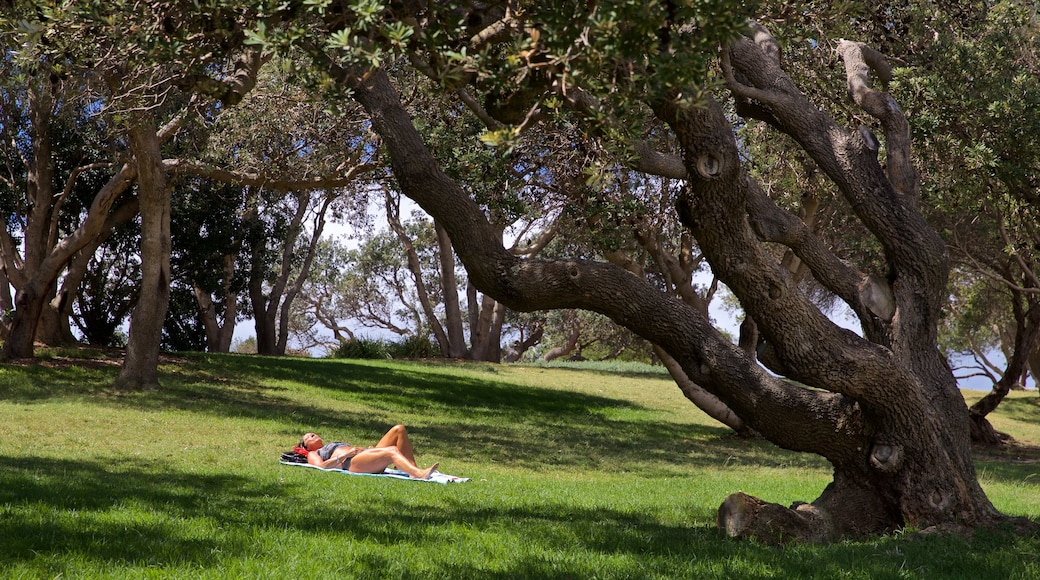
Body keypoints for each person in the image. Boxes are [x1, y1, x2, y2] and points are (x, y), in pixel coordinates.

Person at [297, 424, 439, 479]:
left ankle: (413, 471)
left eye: (313, 433)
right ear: (306, 446)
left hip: (361, 457)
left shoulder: (329, 444)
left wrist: (367, 451)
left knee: (399, 429)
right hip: (350, 463)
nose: (313, 435)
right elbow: (321, 467)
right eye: (309, 436)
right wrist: (345, 455)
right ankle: (419, 474)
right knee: (392, 451)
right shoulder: (312, 454)